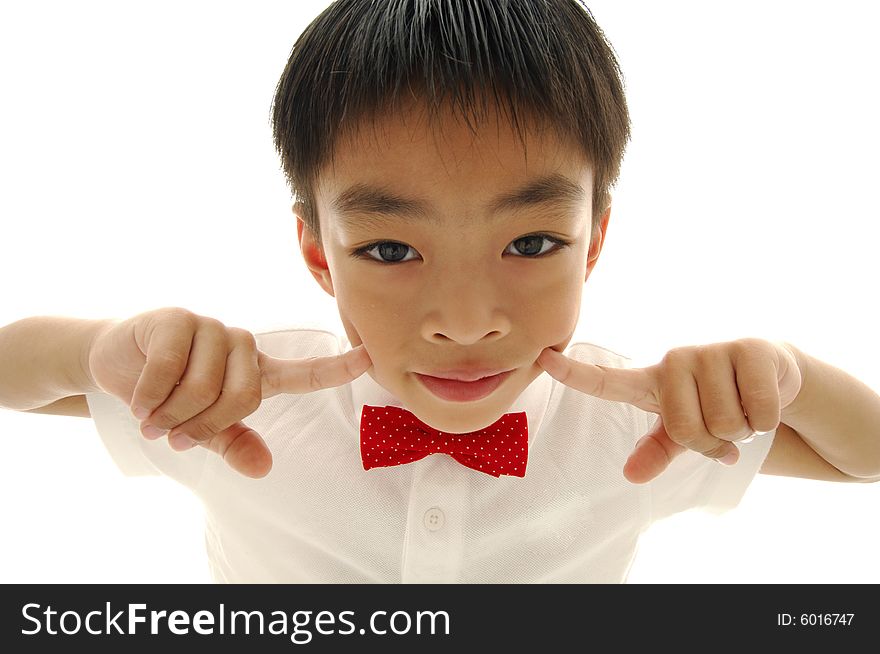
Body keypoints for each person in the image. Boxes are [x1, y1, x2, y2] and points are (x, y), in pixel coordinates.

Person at [1, 0, 878, 583]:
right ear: (317, 248)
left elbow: (866, 456)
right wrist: (89, 350)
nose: (465, 324)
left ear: (596, 239)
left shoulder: (643, 425)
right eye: (390, 248)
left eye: (531, 243)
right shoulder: (239, 404)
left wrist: (788, 374)